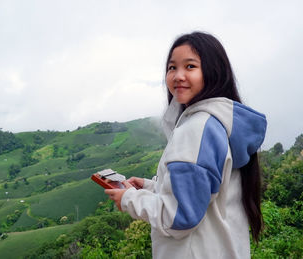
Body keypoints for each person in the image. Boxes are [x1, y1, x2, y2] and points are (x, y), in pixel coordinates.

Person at [105, 31, 267, 259]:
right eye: (172, 68)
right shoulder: (219, 124)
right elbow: (204, 194)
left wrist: (129, 198)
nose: (178, 75)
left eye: (190, 66)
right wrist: (151, 187)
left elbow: (178, 217)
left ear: (213, 71)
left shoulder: (197, 129)